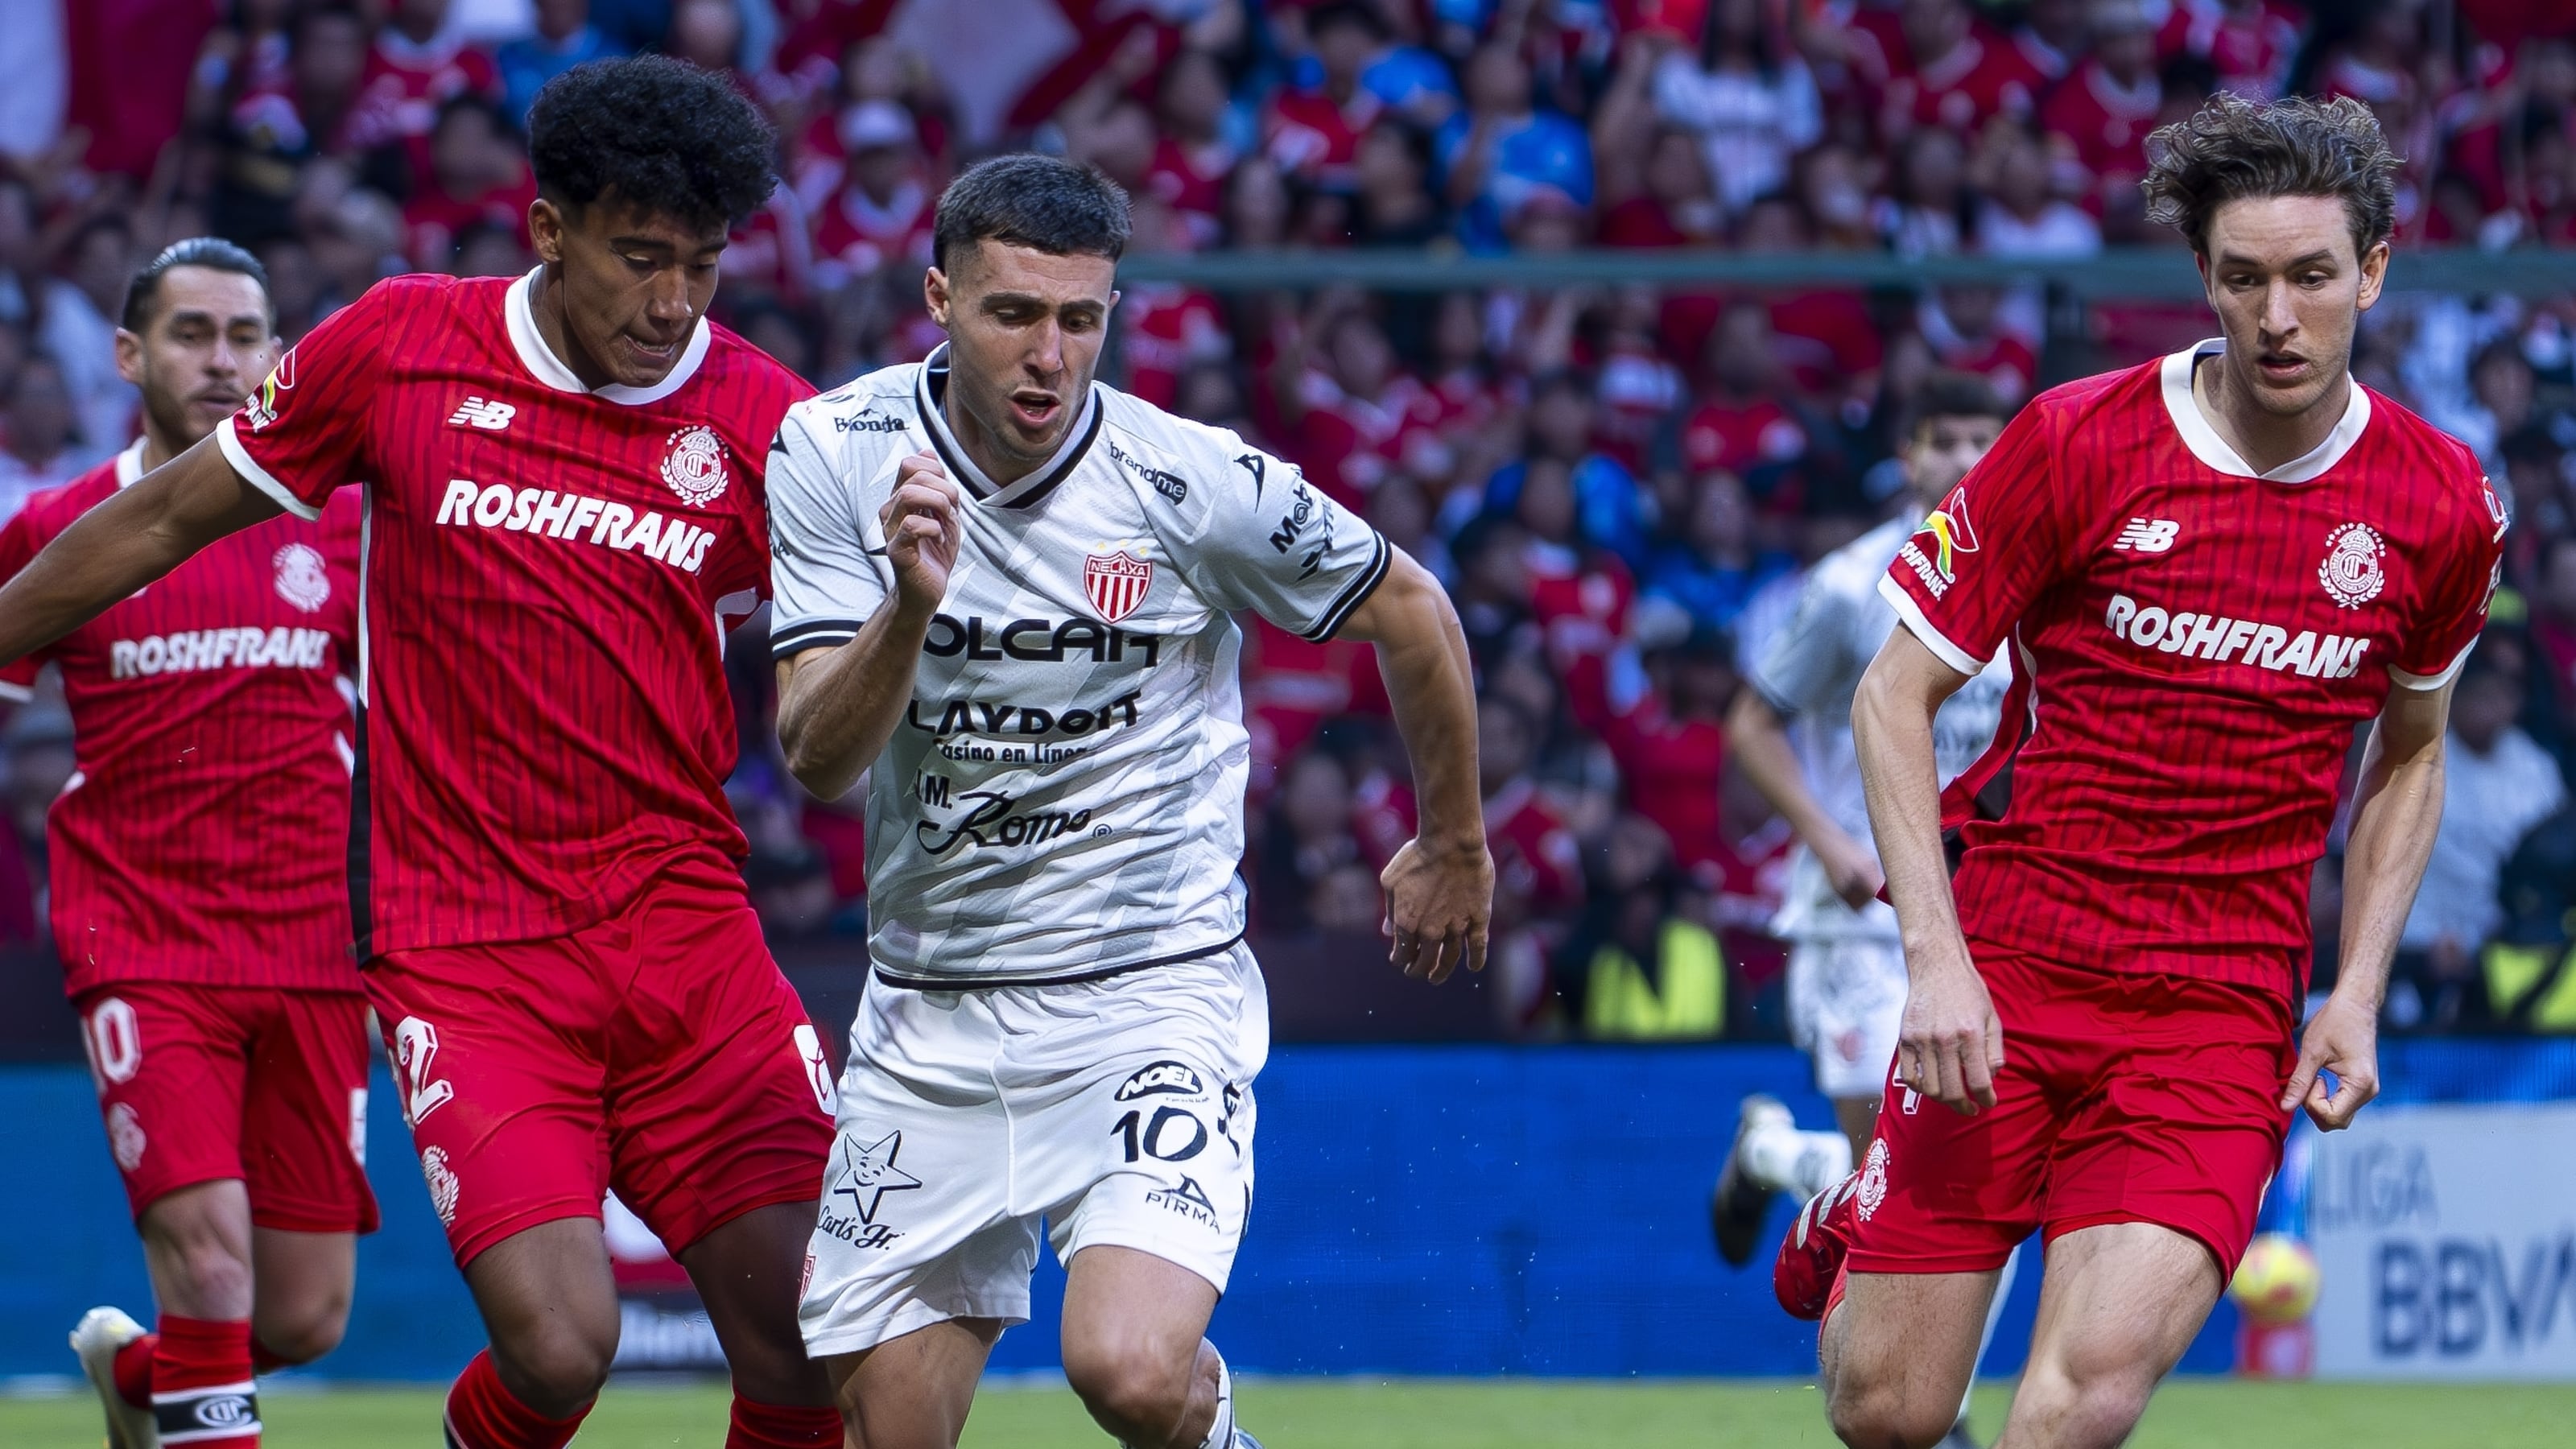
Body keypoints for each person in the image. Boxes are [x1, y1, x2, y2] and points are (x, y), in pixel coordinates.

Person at [0, 58, 844, 1449]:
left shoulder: (775, 427)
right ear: (547, 228)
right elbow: (160, 521)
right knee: (563, 1348)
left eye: (702, 264)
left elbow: (867, 667)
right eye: (640, 258)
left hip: (689, 935)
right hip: (471, 948)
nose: (674, 303)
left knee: (807, 1348)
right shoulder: (398, 346)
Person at [1785, 95, 2505, 1449]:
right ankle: (1849, 1216)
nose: (2277, 316)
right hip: (2010, 970)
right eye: (2245, 280)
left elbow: (2409, 757)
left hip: (2218, 1006)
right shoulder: (2075, 440)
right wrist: (1935, 961)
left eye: (2309, 277)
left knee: (2083, 1401)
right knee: (1888, 1414)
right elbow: (1893, 696)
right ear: (2206, 283)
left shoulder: (2441, 505)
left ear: (2373, 272)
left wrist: (2355, 993)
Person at [767, 154, 1492, 1449]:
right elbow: (817, 760)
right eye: (1013, 315)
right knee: (888, 1434)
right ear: (939, 297)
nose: (1050, 355)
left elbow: (1416, 611)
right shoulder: (835, 450)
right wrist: (911, 607)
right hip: (929, 1011)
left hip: (1147, 993)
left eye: (1081, 320)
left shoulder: (1189, 479)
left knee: (1133, 1372)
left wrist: (1453, 842)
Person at [18, 239, 361, 1449]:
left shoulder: (343, 527)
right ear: (129, 354)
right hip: (142, 941)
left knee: (305, 1317)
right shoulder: (59, 529)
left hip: (314, 954)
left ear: (278, 356)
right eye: (191, 334)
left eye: (245, 337)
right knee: (212, 1271)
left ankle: (139, 1385)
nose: (222, 361)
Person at [1712, 370, 2011, 1449]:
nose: (1970, 459)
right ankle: (1949, 1412)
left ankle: (1769, 1160)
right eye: (1949, 441)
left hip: (1975, 914)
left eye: (1989, 437)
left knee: (1930, 1164)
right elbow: (1752, 723)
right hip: (1856, 914)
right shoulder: (1850, 586)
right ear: (1911, 454)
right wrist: (1833, 840)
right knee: (1903, 1167)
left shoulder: (2030, 573)